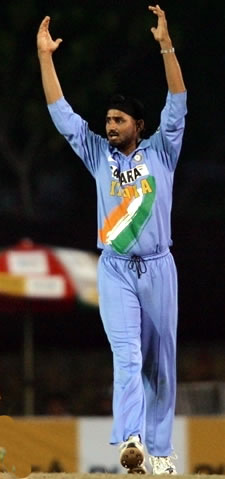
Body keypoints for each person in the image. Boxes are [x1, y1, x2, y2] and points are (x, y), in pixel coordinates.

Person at [37, 4, 187, 475]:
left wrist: (166, 45)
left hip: (160, 266)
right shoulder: (98, 155)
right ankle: (133, 442)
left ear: (138, 126)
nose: (110, 126)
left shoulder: (163, 149)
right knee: (127, 355)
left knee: (161, 366)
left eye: (119, 120)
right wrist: (45, 58)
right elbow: (62, 115)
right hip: (116, 267)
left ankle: (160, 453)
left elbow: (178, 99)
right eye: (108, 120)